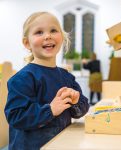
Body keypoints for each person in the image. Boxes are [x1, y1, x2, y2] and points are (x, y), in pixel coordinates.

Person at [4, 12, 89, 150]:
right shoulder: (22, 79)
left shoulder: (67, 77)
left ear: (62, 37)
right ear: (27, 43)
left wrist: (76, 102)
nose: (48, 36)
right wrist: (50, 110)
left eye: (53, 30)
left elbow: (81, 110)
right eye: (39, 32)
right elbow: (15, 117)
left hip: (61, 145)